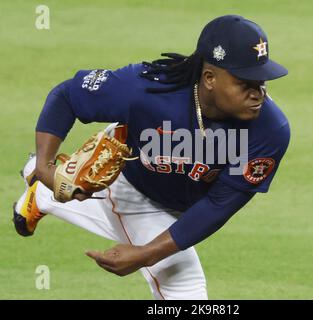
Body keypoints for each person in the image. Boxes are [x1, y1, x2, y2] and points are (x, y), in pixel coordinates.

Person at [13, 15, 290, 300]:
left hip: (185, 194)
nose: (258, 94)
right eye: (245, 83)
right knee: (186, 288)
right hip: (131, 182)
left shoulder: (270, 131)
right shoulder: (146, 90)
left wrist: (145, 254)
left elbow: (218, 205)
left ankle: (43, 195)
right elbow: (67, 95)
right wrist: (47, 165)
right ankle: (41, 178)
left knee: (158, 238)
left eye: (261, 82)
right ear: (209, 78)